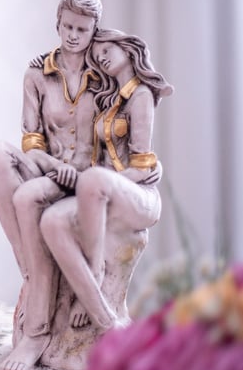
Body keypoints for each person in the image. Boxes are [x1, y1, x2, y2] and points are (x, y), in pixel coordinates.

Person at [0, 0, 103, 370]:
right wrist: (50, 163)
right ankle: (32, 270)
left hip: (88, 181)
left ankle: (37, 331)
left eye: (82, 29)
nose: (73, 35)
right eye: (68, 26)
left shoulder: (105, 76)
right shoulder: (37, 74)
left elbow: (116, 137)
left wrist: (85, 174)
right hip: (48, 169)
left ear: (94, 30)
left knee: (29, 198)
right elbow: (31, 139)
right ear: (58, 24)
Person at [39, 28, 173, 333]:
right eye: (97, 55)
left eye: (106, 50)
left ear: (127, 48)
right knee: (52, 221)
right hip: (102, 191)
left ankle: (95, 271)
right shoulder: (108, 99)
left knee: (94, 179)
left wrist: (100, 181)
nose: (100, 57)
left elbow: (143, 167)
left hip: (137, 195)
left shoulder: (141, 95)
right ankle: (102, 313)